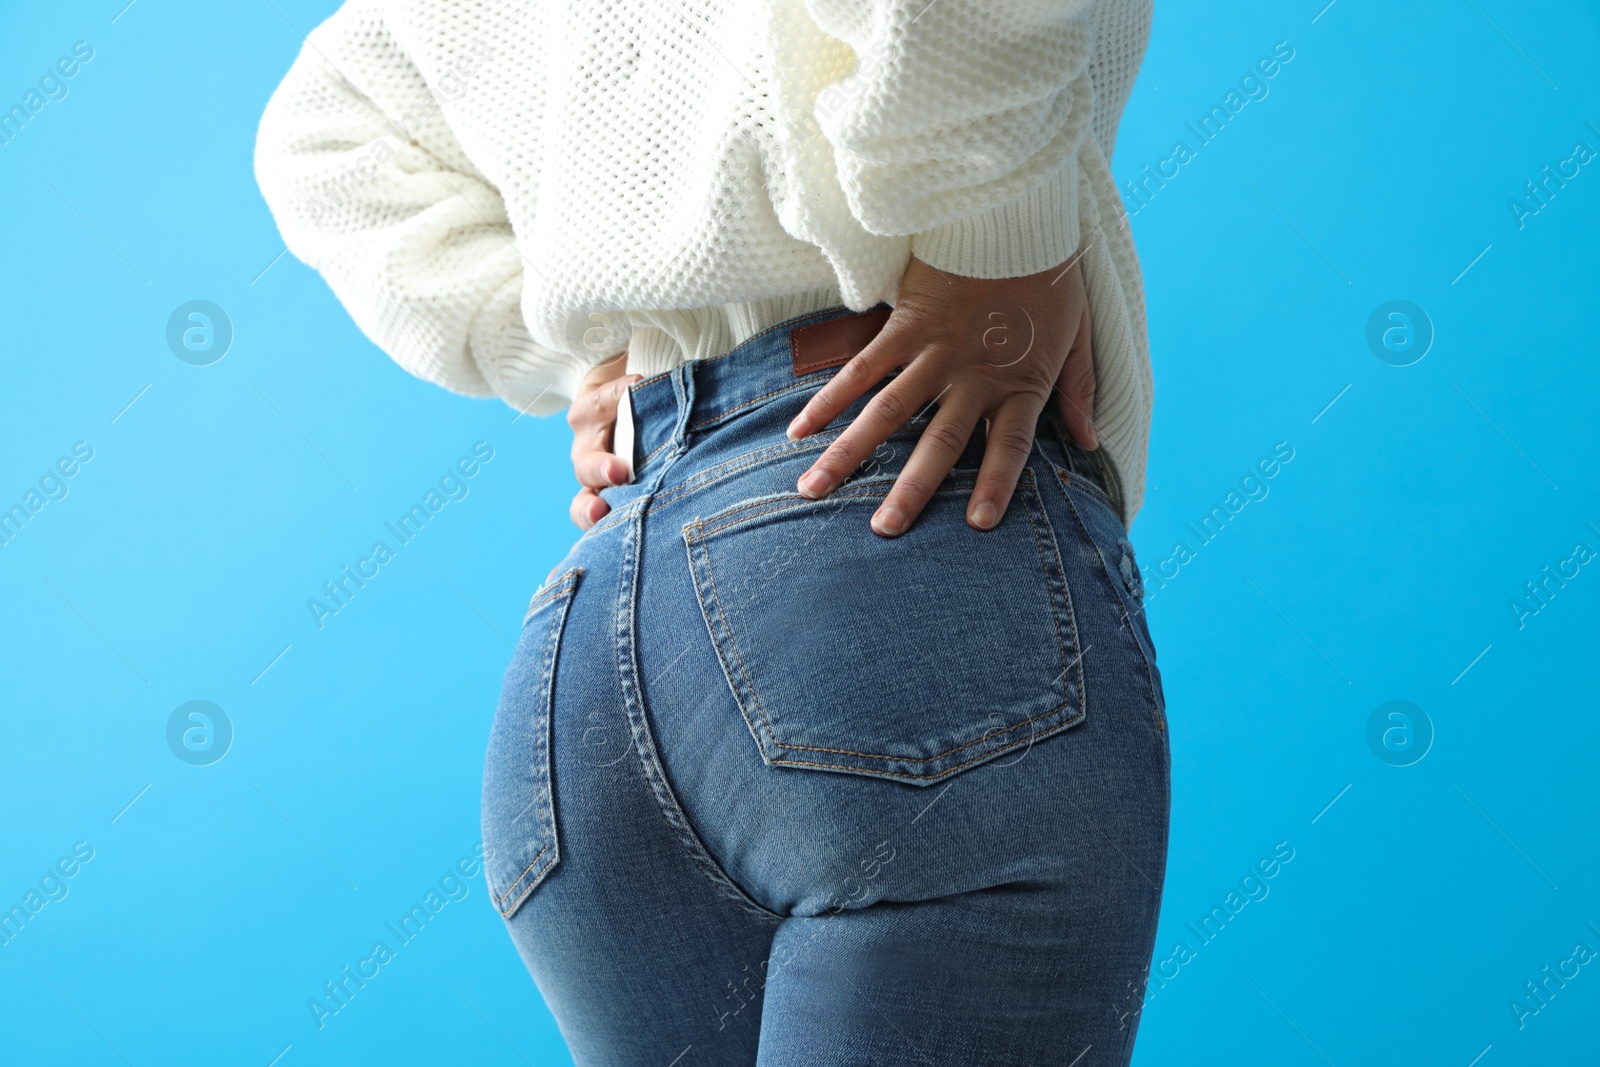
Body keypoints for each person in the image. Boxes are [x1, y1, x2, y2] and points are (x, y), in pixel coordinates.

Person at [256, 1, 1165, 1062]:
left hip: (600, 650)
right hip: (894, 547)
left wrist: (578, 352)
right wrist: (984, 231)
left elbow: (324, 134)